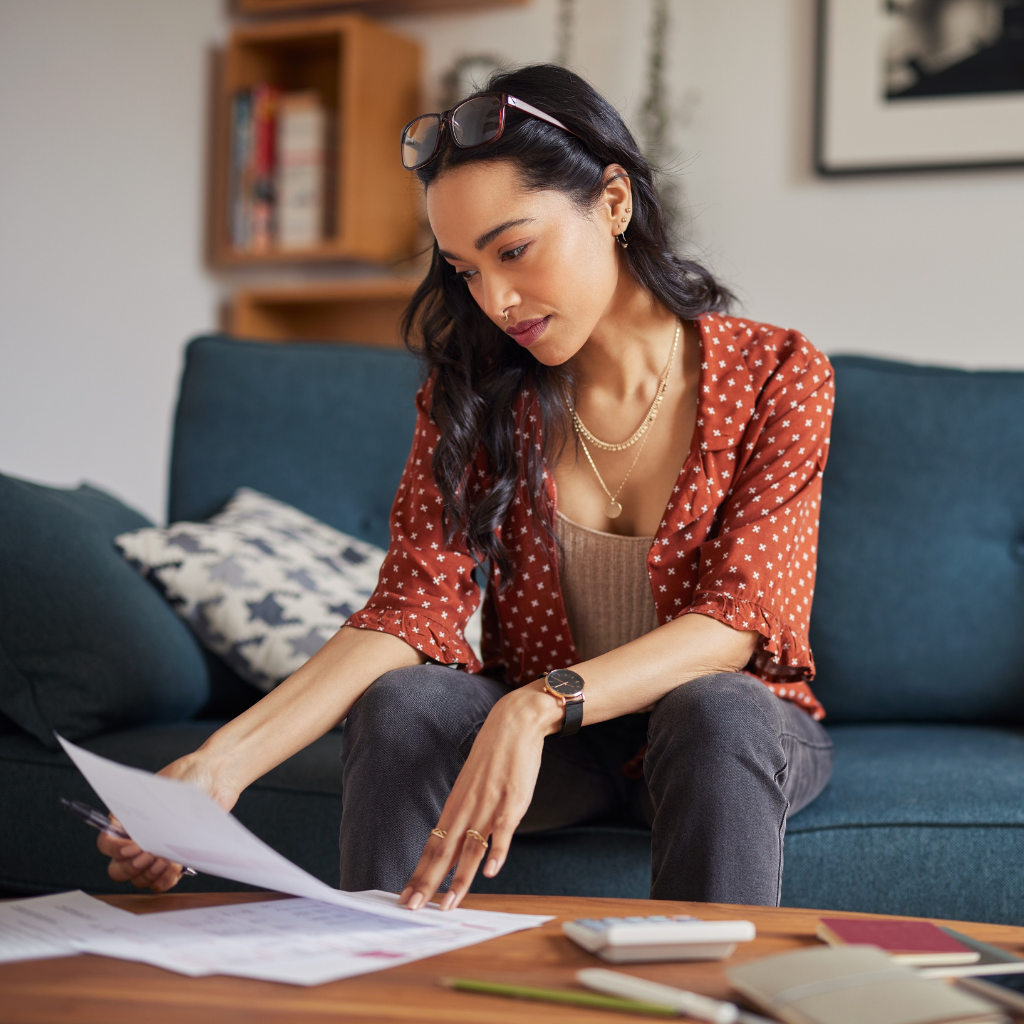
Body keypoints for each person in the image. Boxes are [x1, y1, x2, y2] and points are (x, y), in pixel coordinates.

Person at [99, 64, 835, 910]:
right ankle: (377, 976)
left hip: (721, 734)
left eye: (514, 250)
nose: (498, 299)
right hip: (565, 756)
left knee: (718, 711)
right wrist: (215, 767)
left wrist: (538, 704)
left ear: (614, 202)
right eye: (466, 270)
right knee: (406, 702)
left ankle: (714, 1002)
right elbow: (408, 609)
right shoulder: (476, 389)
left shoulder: (779, 371)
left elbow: (734, 626)